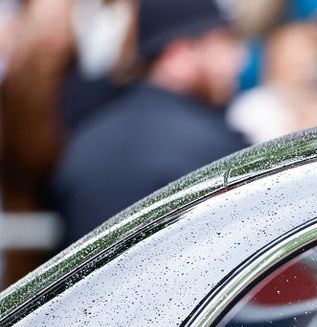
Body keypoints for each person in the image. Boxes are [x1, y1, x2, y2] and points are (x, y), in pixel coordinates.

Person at [50, 0, 247, 247]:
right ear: (180, 53)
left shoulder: (85, 136)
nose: (240, 58)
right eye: (224, 43)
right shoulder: (211, 145)